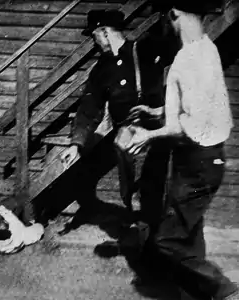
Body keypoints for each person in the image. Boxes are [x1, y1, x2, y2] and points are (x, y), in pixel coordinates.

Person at [122, 1, 238, 299]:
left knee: (168, 241)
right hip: (202, 160)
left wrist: (149, 134)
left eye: (164, 18)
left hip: (197, 162)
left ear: (173, 14)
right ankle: (195, 292)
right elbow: (196, 106)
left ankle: (221, 289)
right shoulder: (206, 49)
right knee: (189, 234)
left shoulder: (187, 59)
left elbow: (189, 125)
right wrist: (158, 110)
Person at [61, 9, 178, 230]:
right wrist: (76, 144)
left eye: (94, 35)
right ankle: (143, 231)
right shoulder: (101, 70)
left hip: (156, 134)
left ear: (104, 32)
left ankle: (156, 237)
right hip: (125, 139)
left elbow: (178, 56)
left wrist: (163, 108)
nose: (94, 42)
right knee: (131, 193)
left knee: (156, 191)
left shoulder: (144, 49)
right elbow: (89, 107)